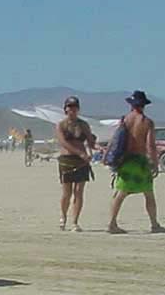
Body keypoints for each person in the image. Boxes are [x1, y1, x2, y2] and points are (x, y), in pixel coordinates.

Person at [107, 91, 165, 234]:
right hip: (140, 161)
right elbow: (150, 145)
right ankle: (154, 224)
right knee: (148, 193)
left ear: (131, 104)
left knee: (120, 193)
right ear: (144, 105)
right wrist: (154, 163)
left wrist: (107, 155)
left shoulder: (125, 120)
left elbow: (115, 140)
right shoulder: (147, 122)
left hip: (126, 160)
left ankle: (111, 223)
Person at [55, 96, 99, 232]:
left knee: (79, 192)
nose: (72, 110)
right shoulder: (61, 125)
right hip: (67, 160)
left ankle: (75, 221)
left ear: (78, 109)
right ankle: (63, 217)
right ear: (65, 109)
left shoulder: (84, 125)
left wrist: (99, 147)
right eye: (70, 107)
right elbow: (64, 143)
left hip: (82, 161)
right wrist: (80, 153)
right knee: (66, 192)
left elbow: (90, 143)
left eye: (74, 107)